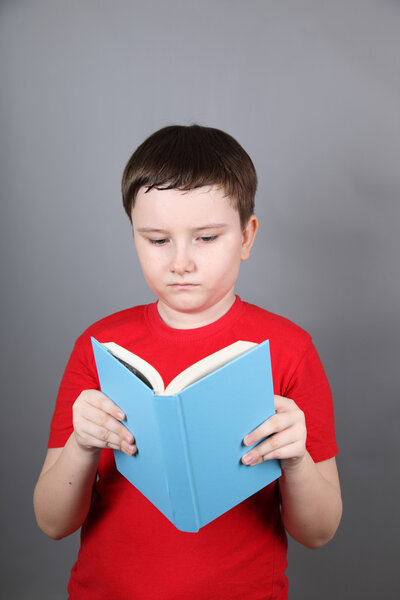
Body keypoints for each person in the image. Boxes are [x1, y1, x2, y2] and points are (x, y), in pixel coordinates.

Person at [33, 124, 342, 600]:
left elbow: (318, 532)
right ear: (133, 236)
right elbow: (52, 522)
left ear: (246, 236)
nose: (180, 262)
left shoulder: (289, 349)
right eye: (157, 240)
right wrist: (81, 444)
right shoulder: (99, 345)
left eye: (205, 238)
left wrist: (297, 461)